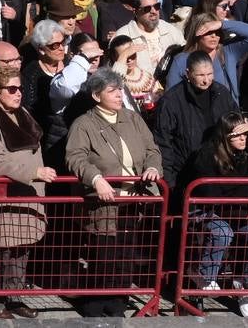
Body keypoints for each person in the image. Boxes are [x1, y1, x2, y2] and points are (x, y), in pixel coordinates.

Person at [64, 68, 163, 317]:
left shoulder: (132, 118)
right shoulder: (84, 124)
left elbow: (152, 149)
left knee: (125, 256)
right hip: (104, 203)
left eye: (120, 89)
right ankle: (96, 306)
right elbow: (75, 158)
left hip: (133, 201)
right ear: (97, 96)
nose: (120, 94)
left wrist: (152, 167)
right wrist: (96, 178)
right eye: (113, 91)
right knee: (104, 256)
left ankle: (118, 304)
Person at [182, 111, 248, 317]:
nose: (243, 138)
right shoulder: (208, 155)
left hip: (240, 213)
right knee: (222, 232)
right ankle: (203, 279)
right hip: (209, 211)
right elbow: (212, 197)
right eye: (236, 134)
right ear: (225, 135)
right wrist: (243, 216)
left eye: (245, 133)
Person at [0, 65, 51, 320]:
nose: (18, 94)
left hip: (28, 193)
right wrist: (35, 172)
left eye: (20, 88)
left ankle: (15, 298)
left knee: (21, 248)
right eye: (12, 89)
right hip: (5, 196)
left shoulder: (21, 112)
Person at [153, 51, 236, 192]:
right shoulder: (171, 101)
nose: (206, 80)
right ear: (188, 73)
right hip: (187, 176)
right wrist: (169, 183)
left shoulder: (222, 93)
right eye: (200, 75)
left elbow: (234, 124)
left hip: (221, 171)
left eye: (210, 74)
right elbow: (163, 142)